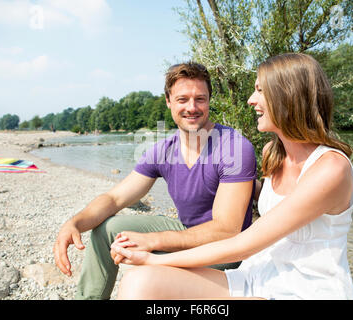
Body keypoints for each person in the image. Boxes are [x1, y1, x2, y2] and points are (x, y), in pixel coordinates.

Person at [111, 53, 353, 300]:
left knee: (150, 273)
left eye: (261, 91)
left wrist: (152, 258)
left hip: (306, 290)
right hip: (258, 276)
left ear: (288, 95)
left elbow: (243, 244)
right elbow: (279, 202)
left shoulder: (331, 168)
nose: (251, 100)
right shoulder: (273, 154)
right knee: (138, 282)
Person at [53, 62, 257, 300]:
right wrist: (74, 223)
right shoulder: (163, 150)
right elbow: (115, 197)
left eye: (200, 99)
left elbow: (226, 230)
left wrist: (151, 241)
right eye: (182, 99)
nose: (192, 107)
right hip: (186, 234)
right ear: (168, 101)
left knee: (140, 271)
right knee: (105, 230)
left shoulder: (234, 147)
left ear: (209, 100)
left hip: (225, 255)